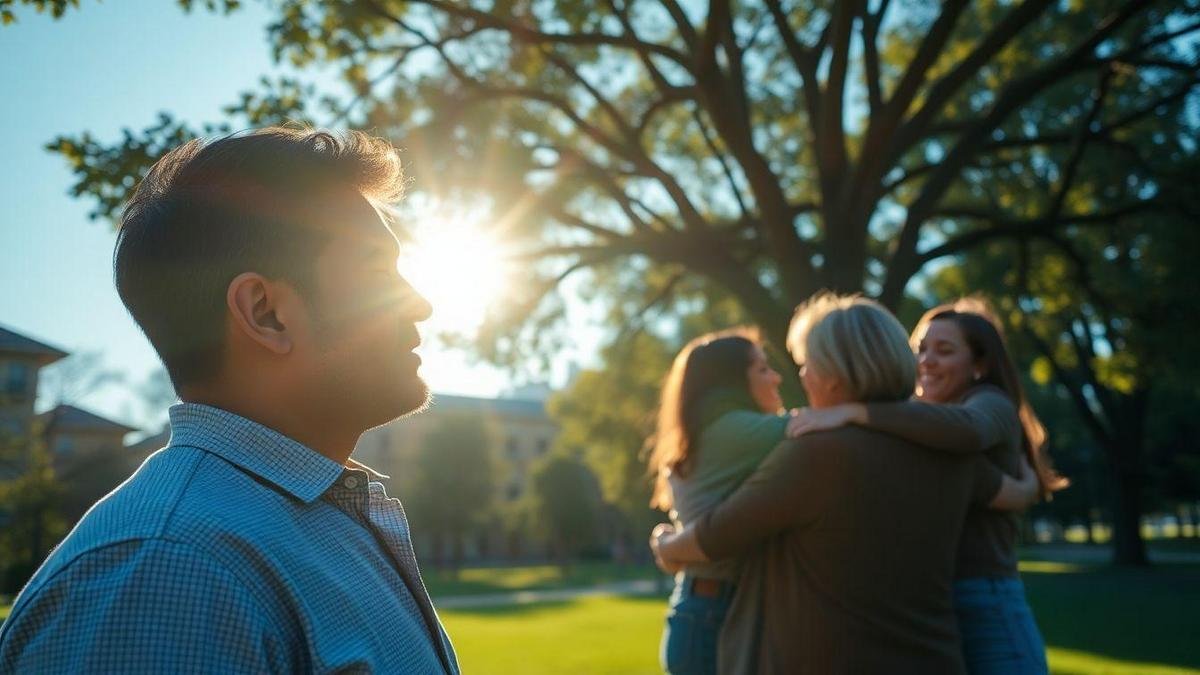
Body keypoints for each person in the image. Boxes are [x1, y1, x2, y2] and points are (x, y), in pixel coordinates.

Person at [0, 128, 459, 673]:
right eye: (378, 272)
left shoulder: (310, 521)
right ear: (265, 313)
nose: (422, 304)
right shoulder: (170, 572)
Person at [651, 293, 1032, 674]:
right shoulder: (948, 452)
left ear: (832, 377)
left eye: (806, 364)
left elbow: (719, 533)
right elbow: (1010, 493)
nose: (801, 376)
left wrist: (668, 547)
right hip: (935, 657)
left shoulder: (817, 455)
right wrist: (1031, 485)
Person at [787, 301, 1065, 674]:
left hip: (985, 598)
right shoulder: (912, 423)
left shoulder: (989, 402)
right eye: (920, 349)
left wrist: (856, 412)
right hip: (933, 607)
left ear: (979, 364)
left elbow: (968, 431)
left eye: (944, 351)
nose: (927, 361)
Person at [646, 328, 787, 675]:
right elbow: (818, 431)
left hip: (701, 610)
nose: (776, 377)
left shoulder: (704, 433)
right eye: (762, 369)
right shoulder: (735, 432)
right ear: (733, 381)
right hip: (714, 615)